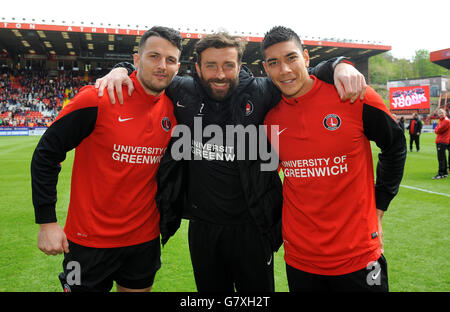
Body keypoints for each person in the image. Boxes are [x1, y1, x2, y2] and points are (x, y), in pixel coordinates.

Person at [95, 31, 367, 292]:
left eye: (228, 65)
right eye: (211, 66)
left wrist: (338, 65)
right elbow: (150, 71)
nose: (220, 74)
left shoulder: (262, 91)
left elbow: (298, 74)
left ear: (240, 66)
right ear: (198, 68)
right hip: (202, 228)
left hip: (253, 228)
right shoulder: (182, 91)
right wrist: (119, 69)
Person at [30, 26, 182, 292]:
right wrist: (47, 222)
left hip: (143, 240)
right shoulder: (97, 98)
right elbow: (46, 154)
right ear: (136, 59)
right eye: (154, 57)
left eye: (170, 60)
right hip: (86, 243)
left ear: (178, 66)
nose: (162, 66)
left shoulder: (176, 106)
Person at [262, 26, 406, 292]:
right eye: (274, 63)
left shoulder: (351, 93)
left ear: (306, 58)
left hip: (359, 255)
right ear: (266, 68)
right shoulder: (270, 119)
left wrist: (379, 207)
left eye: (291, 58)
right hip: (300, 260)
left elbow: (395, 145)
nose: (284, 70)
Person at [432, 108, 450, 179]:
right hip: (442, 140)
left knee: (441, 158)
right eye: (439, 113)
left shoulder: (446, 121)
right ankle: (444, 173)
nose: (440, 114)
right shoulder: (442, 121)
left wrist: (436, 129)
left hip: (442, 141)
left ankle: (441, 173)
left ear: (445, 113)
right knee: (443, 158)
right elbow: (437, 129)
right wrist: (436, 129)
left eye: (442, 113)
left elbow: (437, 130)